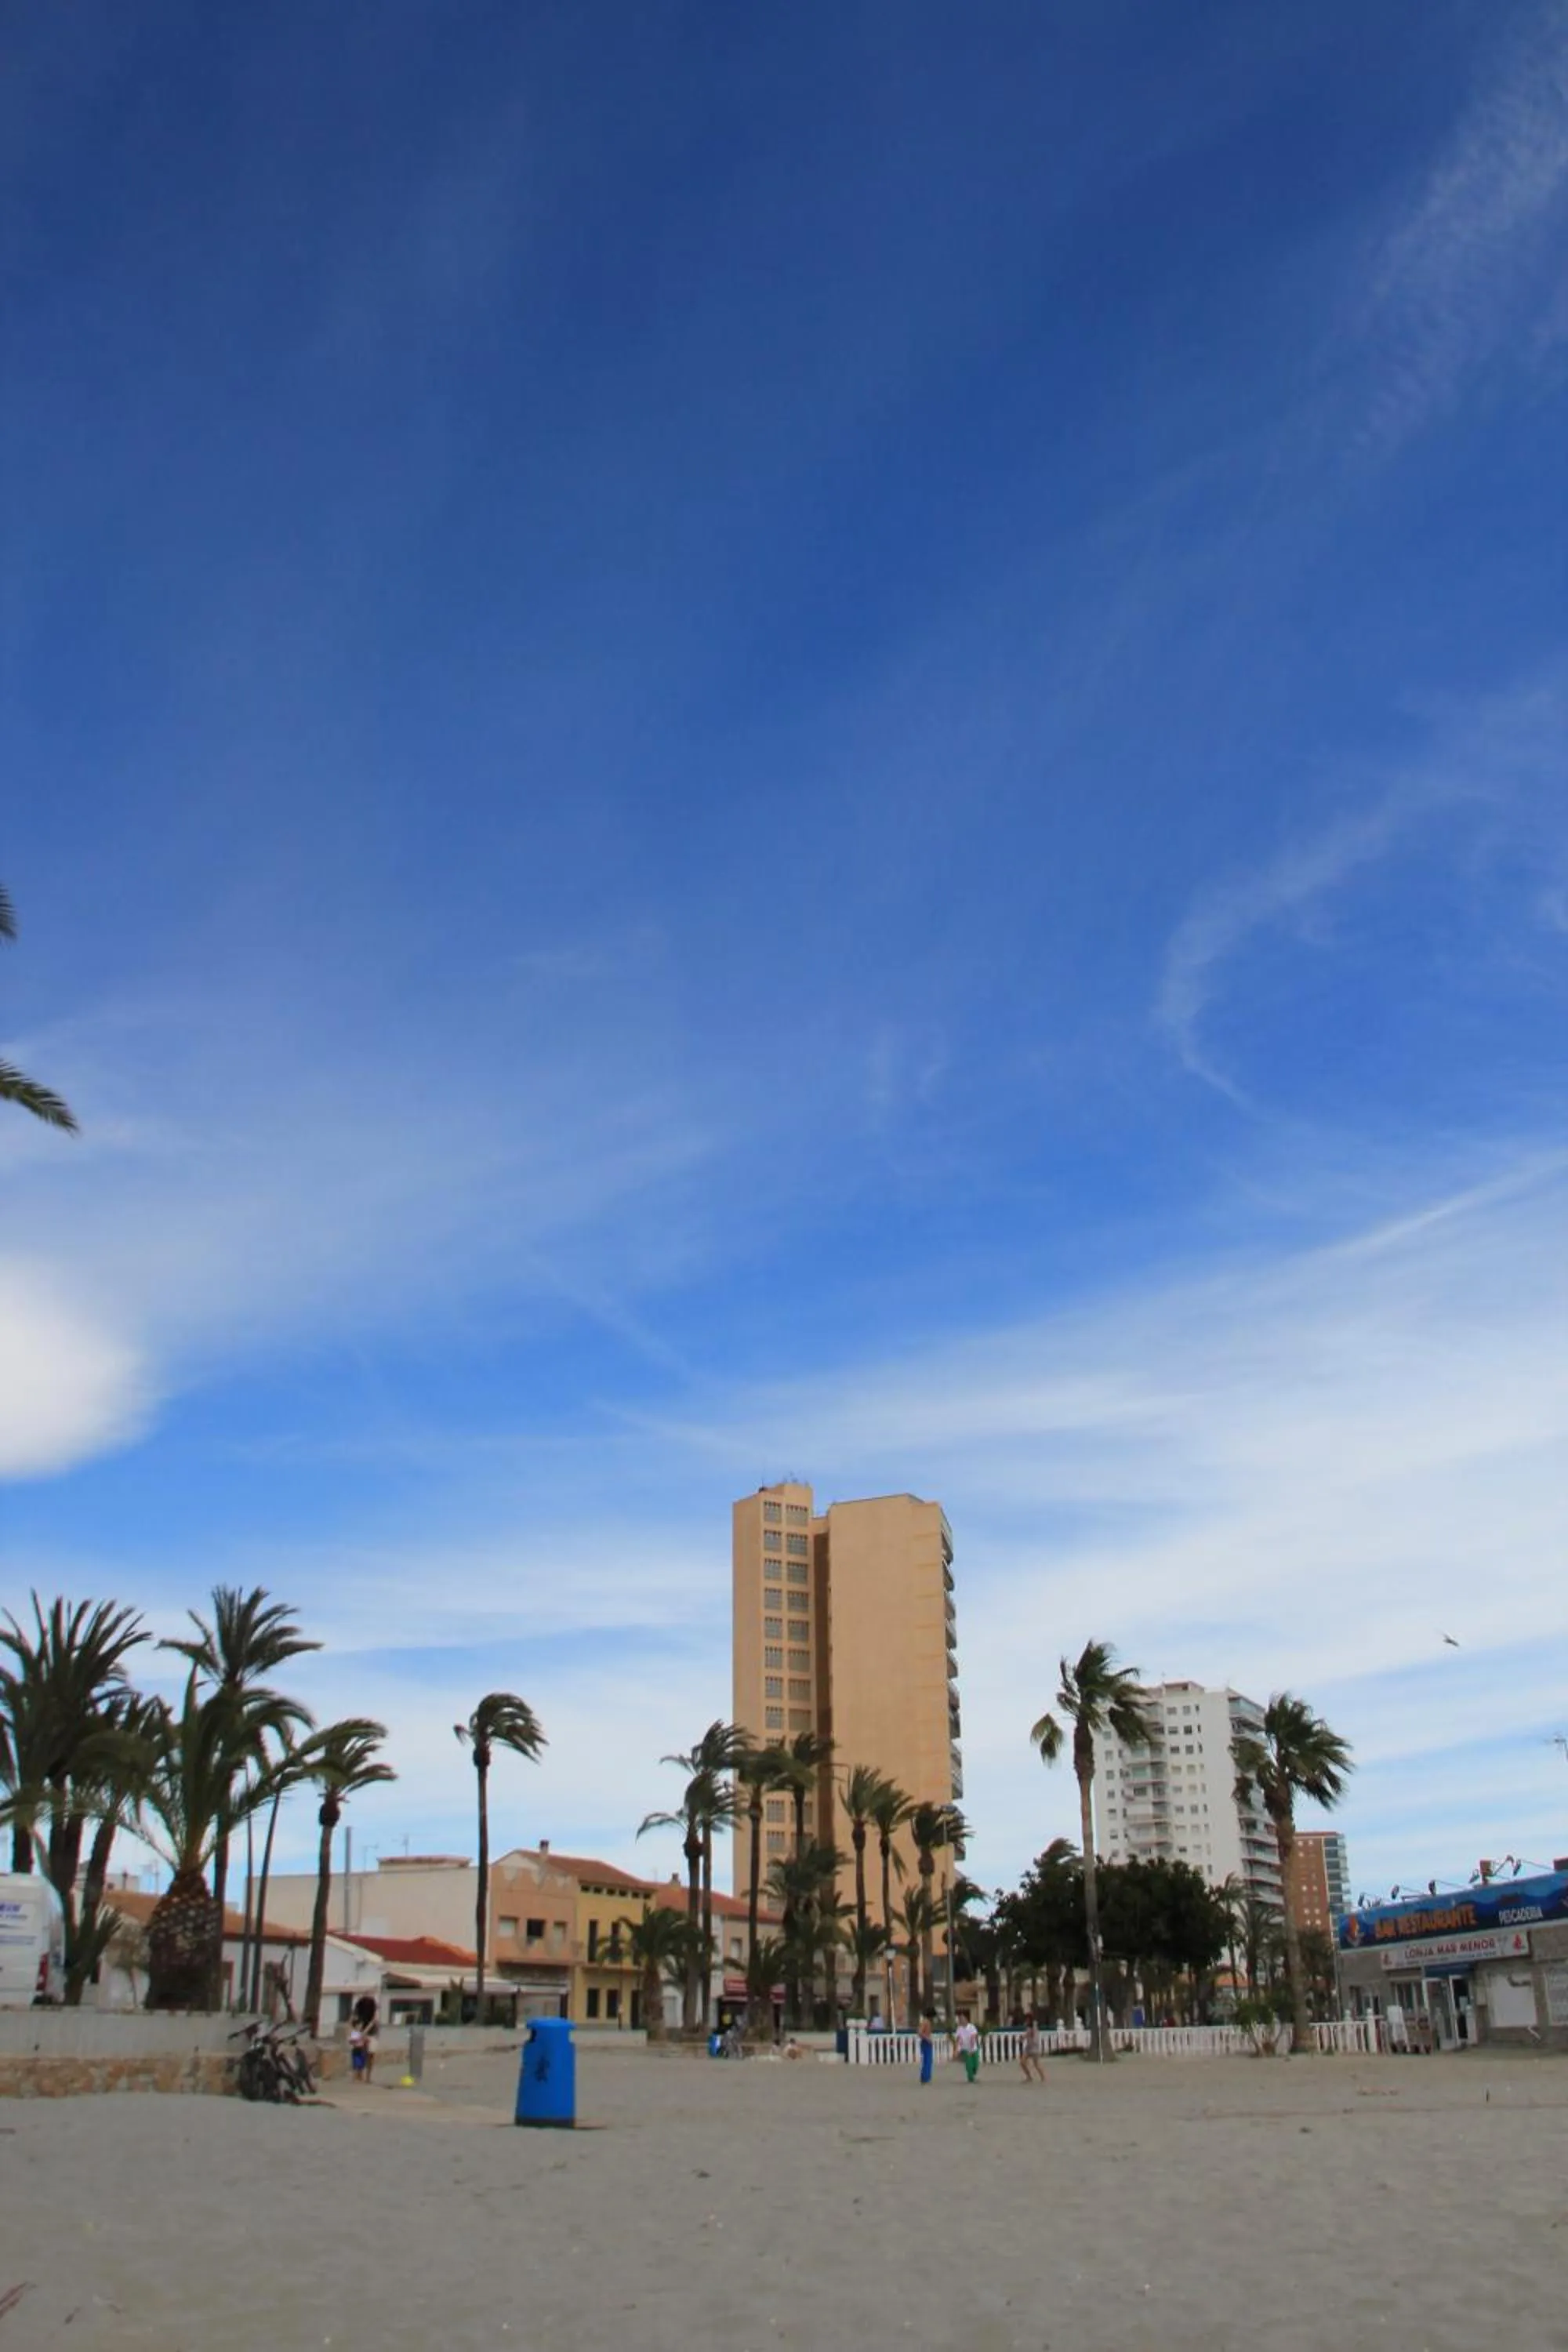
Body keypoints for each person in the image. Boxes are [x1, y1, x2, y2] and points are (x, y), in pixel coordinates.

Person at [352, 1994, 380, 2085]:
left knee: (359, 2053)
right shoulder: (373, 2011)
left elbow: (354, 2022)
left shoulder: (359, 2010)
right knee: (370, 2056)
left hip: (360, 2032)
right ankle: (367, 2077)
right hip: (370, 2034)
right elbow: (374, 2022)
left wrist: (359, 2033)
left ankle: (359, 2074)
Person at [1019, 2012, 1045, 2085]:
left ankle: (1043, 2077)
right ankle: (1029, 2077)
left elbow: (1032, 2033)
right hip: (1029, 2047)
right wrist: (1022, 2038)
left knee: (1036, 2064)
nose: (1026, 2020)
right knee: (1022, 2062)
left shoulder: (1034, 2025)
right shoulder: (1028, 2026)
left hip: (1035, 2047)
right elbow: (1028, 2034)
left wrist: (1024, 2037)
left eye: (1027, 2019)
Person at [954, 2013, 980, 2084]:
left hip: (973, 2048)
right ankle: (971, 2078)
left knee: (976, 2064)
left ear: (966, 2020)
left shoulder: (972, 2027)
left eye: (963, 2019)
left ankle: (974, 2072)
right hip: (965, 2048)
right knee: (969, 2064)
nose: (962, 2021)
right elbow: (958, 2039)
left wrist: (971, 2050)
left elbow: (973, 2037)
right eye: (960, 2020)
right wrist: (957, 2050)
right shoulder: (959, 2029)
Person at [917, 2013, 934, 2086]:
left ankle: (925, 2077)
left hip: (926, 2042)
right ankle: (925, 2077)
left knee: (927, 2060)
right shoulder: (926, 2022)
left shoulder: (926, 2022)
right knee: (927, 2060)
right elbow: (919, 2032)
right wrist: (927, 2039)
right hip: (926, 2042)